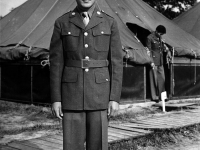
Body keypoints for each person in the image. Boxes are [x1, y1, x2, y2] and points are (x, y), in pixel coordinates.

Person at [49, 0, 123, 149]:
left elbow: (116, 63)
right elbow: (56, 64)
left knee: (98, 145)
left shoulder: (109, 22)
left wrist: (114, 98)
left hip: (100, 95)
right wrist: (56, 99)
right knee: (72, 145)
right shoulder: (62, 22)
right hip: (71, 95)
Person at [146, 25, 170, 103]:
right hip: (153, 61)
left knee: (162, 79)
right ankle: (155, 97)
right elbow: (148, 51)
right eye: (160, 34)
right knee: (153, 79)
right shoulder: (149, 38)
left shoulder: (159, 37)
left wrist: (166, 49)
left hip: (160, 61)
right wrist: (151, 61)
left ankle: (162, 96)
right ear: (156, 31)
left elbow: (161, 47)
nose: (161, 35)